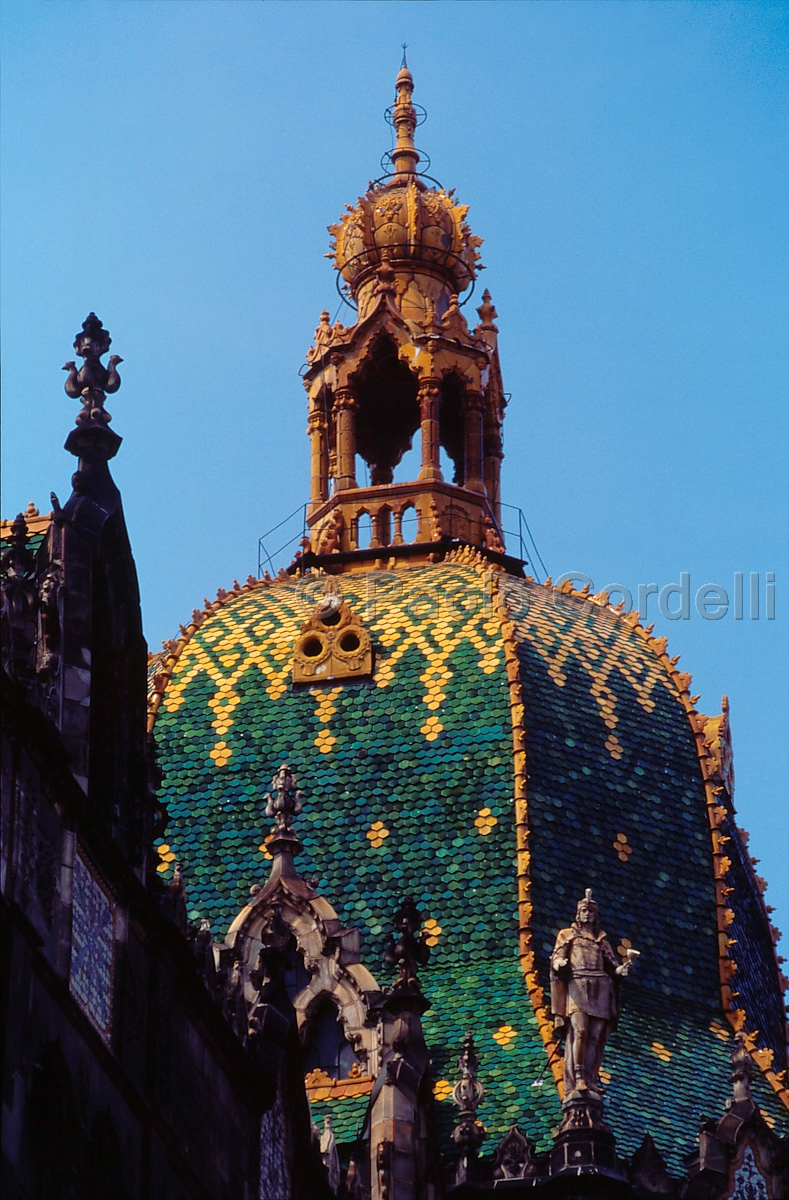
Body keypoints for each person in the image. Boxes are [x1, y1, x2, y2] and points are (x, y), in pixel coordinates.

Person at [550, 889, 635, 1098]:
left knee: (596, 1036)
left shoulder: (601, 942)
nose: (587, 913)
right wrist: (560, 963)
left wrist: (622, 970)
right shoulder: (567, 935)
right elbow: (556, 957)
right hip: (578, 985)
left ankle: (590, 1077)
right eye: (584, 910)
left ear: (595, 915)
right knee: (580, 1031)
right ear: (578, 914)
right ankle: (578, 1076)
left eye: (590, 910)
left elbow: (612, 967)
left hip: (600, 987)